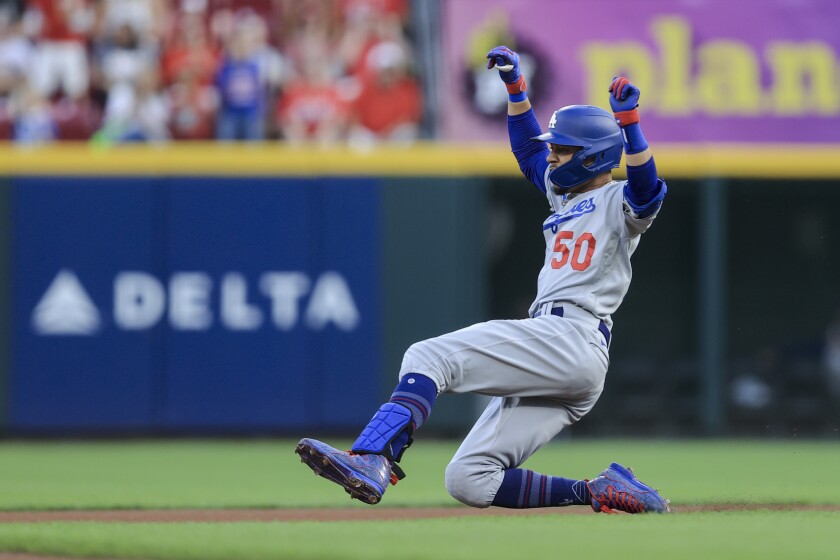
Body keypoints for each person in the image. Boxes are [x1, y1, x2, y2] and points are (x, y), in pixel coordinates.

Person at [296, 45, 671, 514]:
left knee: (427, 355)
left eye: (563, 150)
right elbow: (527, 150)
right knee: (469, 480)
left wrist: (631, 124)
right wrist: (516, 90)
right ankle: (597, 490)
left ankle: (372, 457)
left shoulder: (619, 203)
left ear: (593, 159)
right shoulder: (564, 196)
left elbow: (646, 191)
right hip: (568, 356)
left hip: (570, 335)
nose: (552, 156)